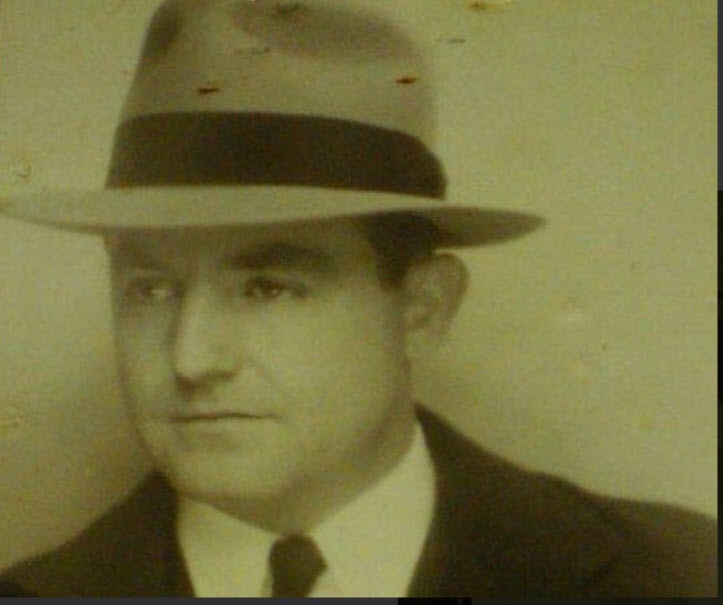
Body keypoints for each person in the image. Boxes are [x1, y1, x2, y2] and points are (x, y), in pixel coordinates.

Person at [0, 0, 715, 597]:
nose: (191, 358)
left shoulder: (676, 578)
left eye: (268, 287)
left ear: (422, 308)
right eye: (150, 288)